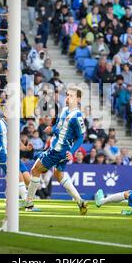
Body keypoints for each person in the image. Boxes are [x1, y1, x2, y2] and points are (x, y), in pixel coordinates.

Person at [20, 86, 87, 214]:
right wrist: (52, 129)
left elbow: (81, 137)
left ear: (78, 99)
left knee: (35, 170)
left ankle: (29, 203)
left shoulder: (77, 117)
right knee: (58, 174)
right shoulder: (64, 110)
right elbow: (59, 127)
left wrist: (71, 152)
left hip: (58, 150)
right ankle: (80, 201)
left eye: (71, 96)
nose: (67, 97)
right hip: (57, 148)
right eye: (67, 95)